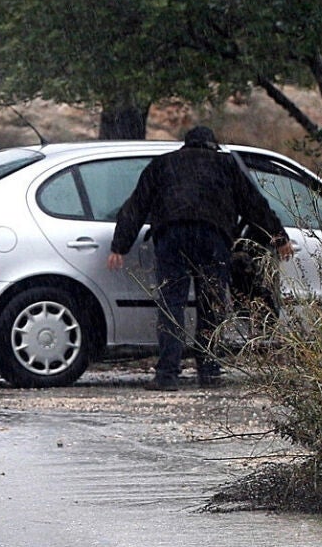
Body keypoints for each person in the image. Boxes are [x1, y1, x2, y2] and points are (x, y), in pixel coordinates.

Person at [108, 125, 293, 390]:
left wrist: (120, 245)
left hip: (171, 236)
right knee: (211, 304)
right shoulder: (225, 165)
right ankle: (209, 372)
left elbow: (136, 205)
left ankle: (167, 375)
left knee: (172, 304)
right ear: (212, 145)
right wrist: (278, 237)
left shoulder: (162, 165)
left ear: (186, 144)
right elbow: (254, 205)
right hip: (213, 237)